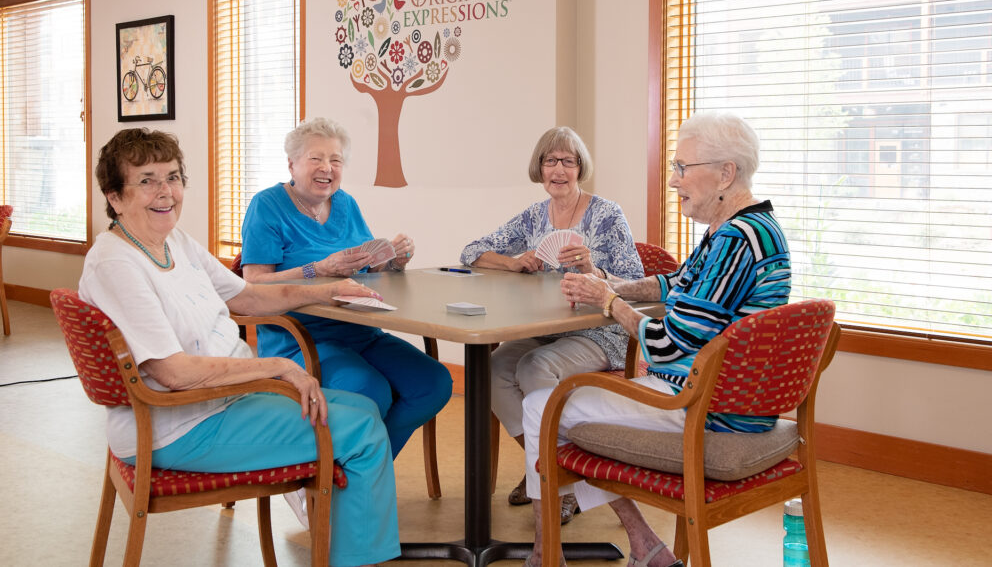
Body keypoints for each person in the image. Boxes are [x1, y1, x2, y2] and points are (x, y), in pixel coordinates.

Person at [78, 128, 400, 567]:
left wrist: (325, 293)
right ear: (115, 197)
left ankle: (340, 543)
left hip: (220, 403)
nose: (165, 192)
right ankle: (354, 556)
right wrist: (279, 369)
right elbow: (174, 373)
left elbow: (246, 297)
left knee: (363, 408)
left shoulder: (174, 241)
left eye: (173, 177)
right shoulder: (117, 263)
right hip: (181, 422)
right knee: (363, 433)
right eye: (147, 180)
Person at [518, 111, 791, 567]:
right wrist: (613, 283)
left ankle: (548, 554)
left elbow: (665, 346)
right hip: (730, 399)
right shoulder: (745, 229)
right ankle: (638, 544)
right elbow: (676, 283)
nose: (673, 180)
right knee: (557, 405)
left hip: (702, 406)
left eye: (683, 168)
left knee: (541, 406)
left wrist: (608, 304)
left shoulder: (735, 242)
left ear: (726, 173)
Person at [460, 126, 643, 523]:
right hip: (546, 328)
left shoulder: (607, 215)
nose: (558, 169)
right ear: (539, 168)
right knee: (491, 370)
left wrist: (593, 269)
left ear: (580, 168)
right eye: (550, 161)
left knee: (534, 367)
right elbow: (471, 252)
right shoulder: (532, 218)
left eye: (568, 161)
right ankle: (548, 469)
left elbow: (635, 281)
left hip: (600, 331)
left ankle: (556, 482)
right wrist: (514, 261)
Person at [240, 117, 452, 459]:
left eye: (336, 160)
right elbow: (252, 285)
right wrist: (318, 269)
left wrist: (394, 260)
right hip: (301, 339)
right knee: (370, 391)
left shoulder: (346, 204)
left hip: (363, 330)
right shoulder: (266, 206)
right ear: (291, 164)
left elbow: (368, 268)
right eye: (316, 158)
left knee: (434, 384)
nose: (327, 168)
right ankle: (352, 478)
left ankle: (363, 473)